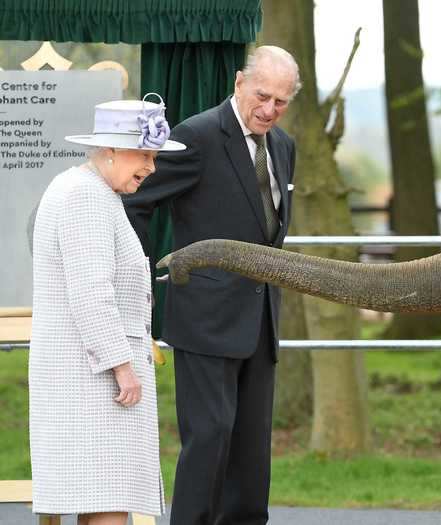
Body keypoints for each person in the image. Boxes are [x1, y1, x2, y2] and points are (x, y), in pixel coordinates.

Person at [123, 46, 300, 524]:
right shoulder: (196, 135)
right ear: (240, 83)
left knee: (250, 446)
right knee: (210, 436)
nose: (269, 110)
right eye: (263, 96)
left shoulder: (283, 146)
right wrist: (140, 274)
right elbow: (135, 205)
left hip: (262, 320)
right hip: (204, 318)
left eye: (281, 102)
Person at [29, 94, 185, 525]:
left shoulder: (87, 189)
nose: (152, 167)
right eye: (146, 155)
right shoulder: (86, 196)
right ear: (111, 150)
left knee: (103, 494)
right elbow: (92, 290)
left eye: (155, 156)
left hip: (84, 372)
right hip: (92, 378)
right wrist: (122, 365)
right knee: (109, 496)